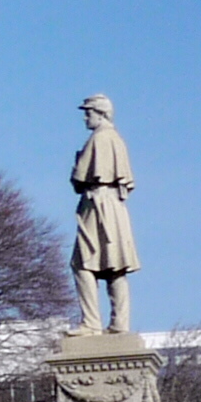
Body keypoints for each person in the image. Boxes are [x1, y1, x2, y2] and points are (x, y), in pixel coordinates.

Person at [69, 93, 140, 335]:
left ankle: (90, 323)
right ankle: (120, 323)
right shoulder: (117, 139)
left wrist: (77, 162)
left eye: (88, 112)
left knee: (82, 263)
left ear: (101, 113)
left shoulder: (99, 139)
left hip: (97, 203)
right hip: (115, 207)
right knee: (115, 266)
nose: (85, 118)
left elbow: (79, 178)